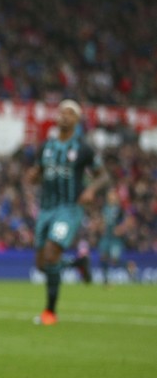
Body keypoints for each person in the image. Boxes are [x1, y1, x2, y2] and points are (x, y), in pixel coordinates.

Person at [28, 99, 108, 325]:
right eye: (61, 112)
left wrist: (91, 189)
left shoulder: (83, 148)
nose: (64, 115)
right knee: (42, 264)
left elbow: (104, 176)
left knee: (53, 251)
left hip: (69, 209)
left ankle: (50, 312)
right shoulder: (46, 146)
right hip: (46, 209)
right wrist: (33, 176)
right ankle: (78, 264)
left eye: (70, 113)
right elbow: (38, 172)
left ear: (77, 120)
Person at [97, 187, 126, 285]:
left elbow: (123, 223)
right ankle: (105, 279)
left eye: (112, 195)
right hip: (106, 237)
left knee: (114, 260)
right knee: (103, 257)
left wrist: (119, 229)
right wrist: (101, 226)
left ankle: (129, 267)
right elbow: (102, 221)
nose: (110, 197)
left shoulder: (119, 210)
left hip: (115, 239)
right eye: (109, 195)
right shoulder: (105, 208)